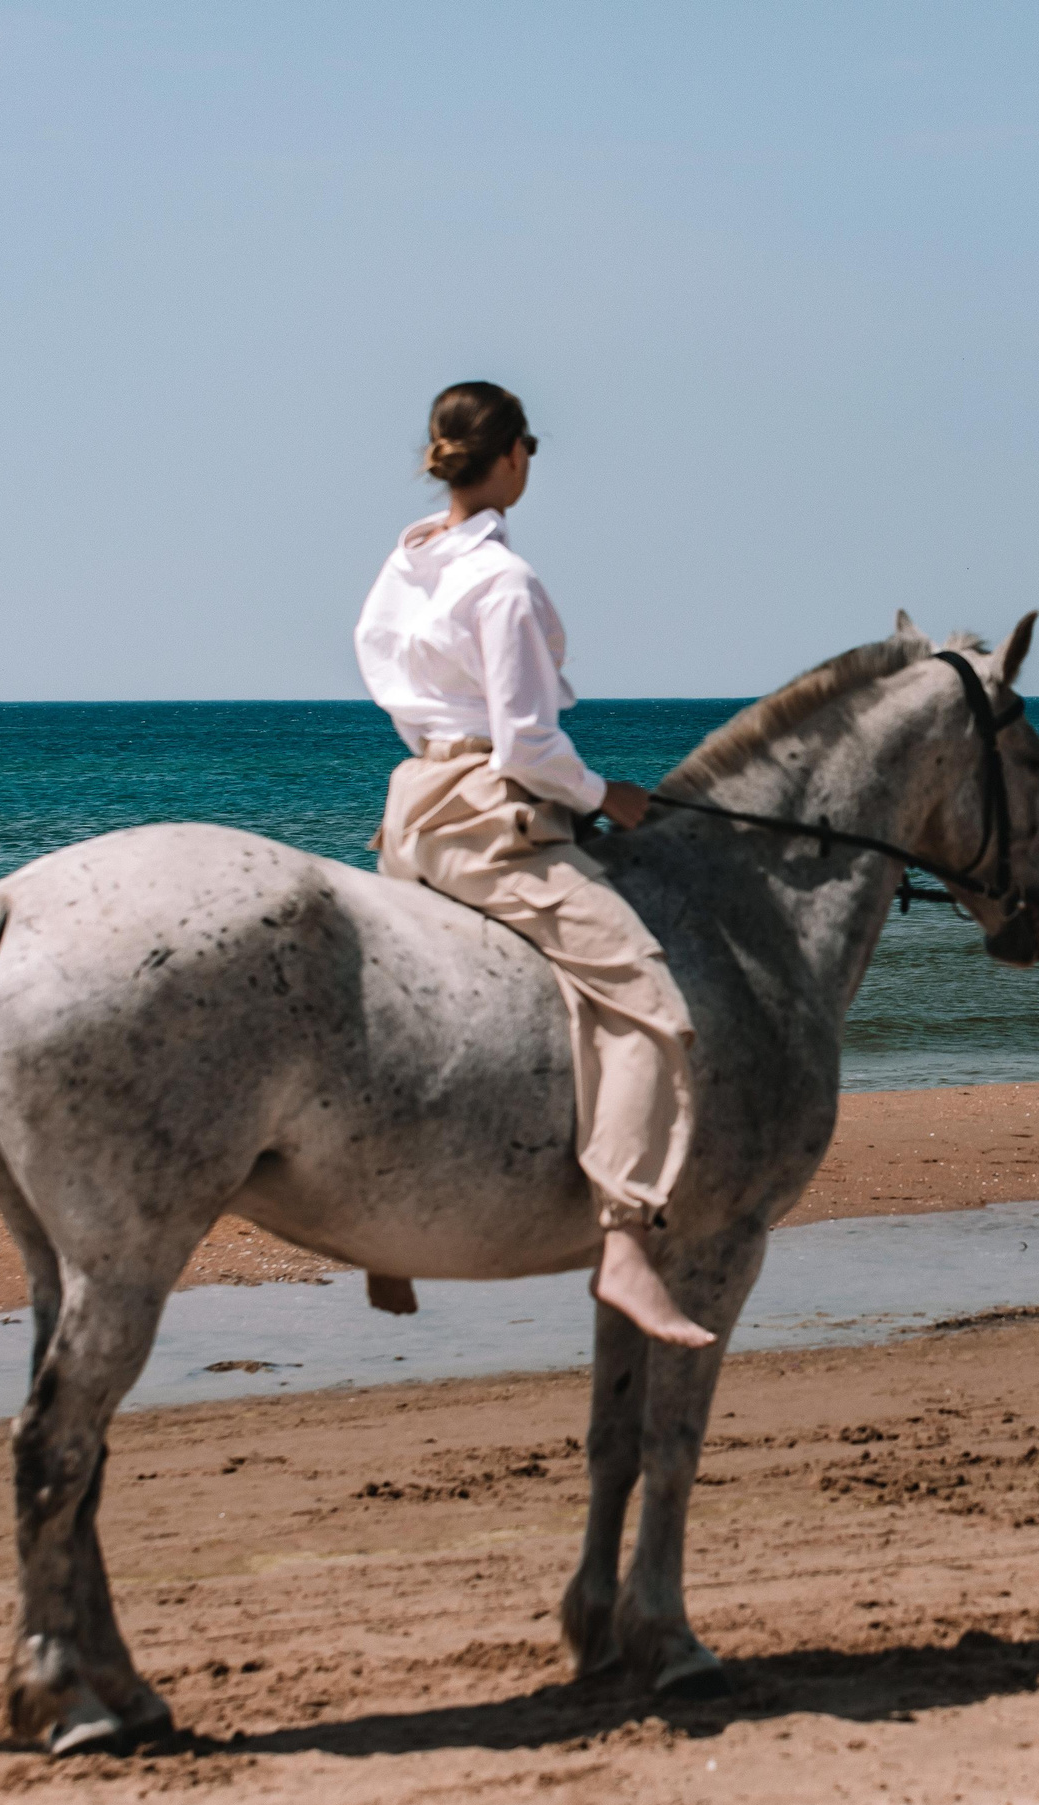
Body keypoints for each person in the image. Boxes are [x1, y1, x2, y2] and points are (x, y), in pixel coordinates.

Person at [353, 381, 711, 1348]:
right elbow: (527, 746)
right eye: (530, 450)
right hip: (484, 810)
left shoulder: (407, 560)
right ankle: (626, 1240)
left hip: (410, 809)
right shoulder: (501, 581)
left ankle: (386, 1230)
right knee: (646, 998)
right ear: (511, 456)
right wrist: (604, 795)